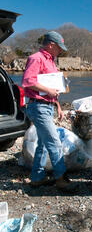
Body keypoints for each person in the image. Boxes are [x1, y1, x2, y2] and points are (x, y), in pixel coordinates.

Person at [22, 31, 74, 189]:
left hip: (47, 106)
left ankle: (37, 177)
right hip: (38, 106)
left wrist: (56, 104)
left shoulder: (51, 61)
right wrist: (49, 92)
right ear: (51, 44)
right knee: (54, 142)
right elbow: (27, 81)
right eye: (59, 47)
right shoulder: (36, 58)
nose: (61, 51)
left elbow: (53, 87)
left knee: (43, 143)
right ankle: (61, 178)